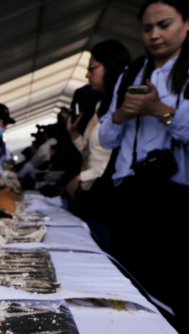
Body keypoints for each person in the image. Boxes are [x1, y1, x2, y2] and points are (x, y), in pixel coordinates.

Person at [98, 0, 189, 329]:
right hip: (127, 192)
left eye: (164, 25)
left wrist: (160, 110)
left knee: (168, 294)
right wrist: (122, 114)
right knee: (124, 290)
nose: (155, 35)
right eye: (147, 28)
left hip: (175, 197)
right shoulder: (132, 72)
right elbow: (106, 137)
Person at [65, 41, 132, 250]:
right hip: (92, 196)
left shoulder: (122, 107)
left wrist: (80, 178)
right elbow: (93, 151)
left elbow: (112, 159)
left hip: (107, 198)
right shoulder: (100, 105)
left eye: (92, 68)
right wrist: (75, 135)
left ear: (110, 66)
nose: (87, 75)